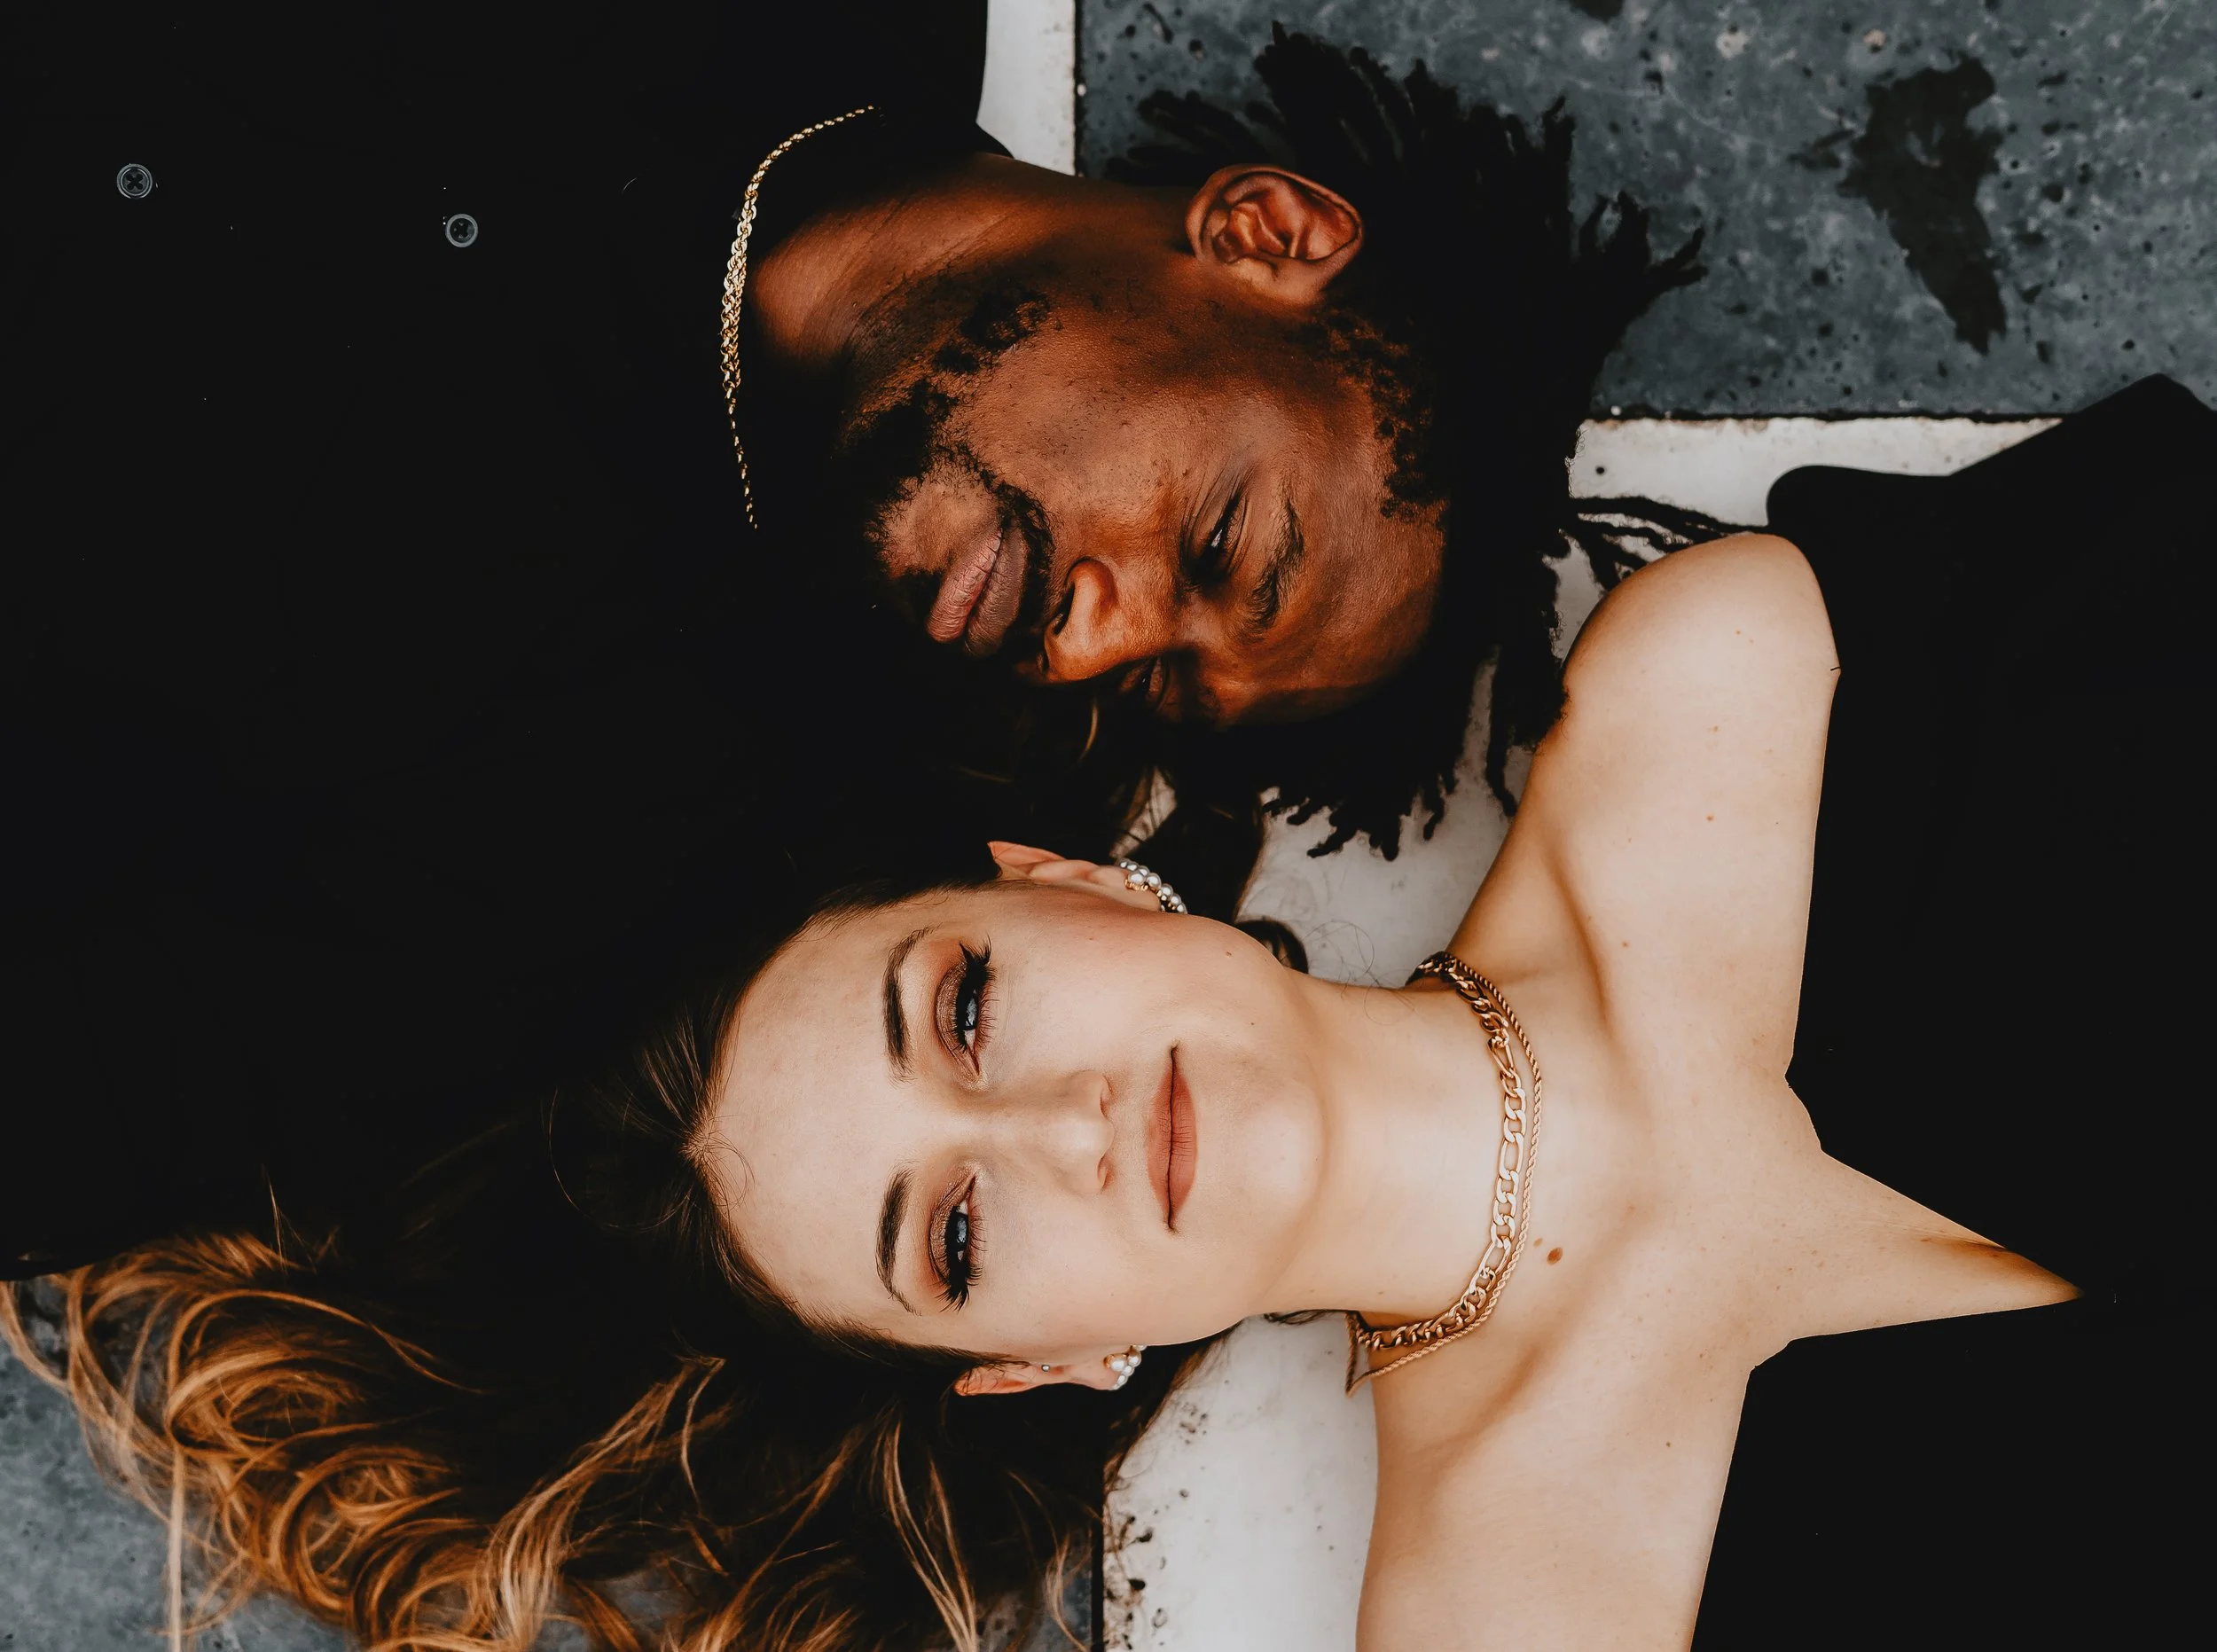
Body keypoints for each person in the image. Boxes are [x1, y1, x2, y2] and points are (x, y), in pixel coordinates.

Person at [13, 523, 2202, 1650]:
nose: (1053, 1128)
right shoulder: (1509, 1625)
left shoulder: (1727, 693)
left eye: (962, 1010)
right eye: (954, 1234)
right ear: (1039, 1363)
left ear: (1061, 879)